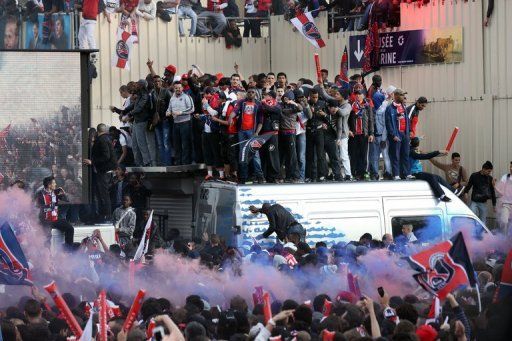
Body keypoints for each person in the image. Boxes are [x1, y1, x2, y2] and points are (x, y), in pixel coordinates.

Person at [83, 124, 117, 222]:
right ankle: (103, 215)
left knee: (103, 195)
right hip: (105, 171)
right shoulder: (107, 138)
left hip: (104, 171)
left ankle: (106, 216)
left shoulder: (102, 140)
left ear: (97, 131)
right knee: (102, 194)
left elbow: (106, 156)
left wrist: (92, 162)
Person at [232, 88, 265, 184]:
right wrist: (231, 117)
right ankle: (243, 177)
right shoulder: (242, 102)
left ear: (256, 94)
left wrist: (256, 132)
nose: (250, 94)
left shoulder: (259, 104)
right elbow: (235, 110)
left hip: (252, 131)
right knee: (242, 154)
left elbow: (260, 121)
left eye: (252, 92)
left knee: (255, 154)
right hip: (242, 131)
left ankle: (260, 176)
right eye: (249, 92)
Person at [35, 176, 75, 247]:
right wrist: (51, 207)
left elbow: (67, 200)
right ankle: (47, 255)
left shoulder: (56, 192)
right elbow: (39, 207)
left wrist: (63, 194)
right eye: (54, 183)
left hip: (55, 218)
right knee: (47, 237)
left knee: (70, 228)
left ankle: (68, 251)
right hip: (45, 219)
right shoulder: (40, 194)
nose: (55, 184)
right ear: (49, 185)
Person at [409, 137, 451, 202]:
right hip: (413, 174)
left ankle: (453, 190)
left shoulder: (415, 150)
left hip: (418, 172)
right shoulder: (411, 152)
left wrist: (442, 154)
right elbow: (426, 156)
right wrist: (439, 151)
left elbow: (428, 154)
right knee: (431, 177)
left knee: (437, 177)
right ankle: (441, 196)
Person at [369, 85, 394, 180]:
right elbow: (385, 125)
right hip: (381, 136)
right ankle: (388, 172)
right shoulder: (385, 108)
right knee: (385, 155)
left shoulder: (378, 109)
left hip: (377, 135)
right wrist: (384, 138)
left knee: (375, 156)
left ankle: (376, 173)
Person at [385, 88, 411, 180]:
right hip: (396, 134)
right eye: (401, 95)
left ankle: (407, 173)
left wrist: (409, 132)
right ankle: (396, 174)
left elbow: (407, 120)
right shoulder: (390, 108)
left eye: (403, 95)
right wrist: (393, 135)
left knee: (406, 154)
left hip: (405, 133)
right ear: (395, 96)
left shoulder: (404, 107)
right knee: (395, 155)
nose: (403, 97)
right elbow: (388, 123)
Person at [348, 89, 374, 180]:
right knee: (354, 154)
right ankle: (353, 173)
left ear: (363, 95)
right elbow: (347, 119)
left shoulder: (367, 106)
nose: (358, 96)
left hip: (364, 134)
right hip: (354, 134)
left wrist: (371, 133)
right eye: (356, 94)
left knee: (364, 155)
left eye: (360, 94)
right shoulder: (351, 105)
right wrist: (348, 130)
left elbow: (371, 120)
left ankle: (363, 173)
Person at [168, 81, 195, 165]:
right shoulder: (172, 98)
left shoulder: (187, 97)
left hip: (185, 123)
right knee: (176, 145)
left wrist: (181, 112)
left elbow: (191, 108)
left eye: (179, 87)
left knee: (185, 144)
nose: (178, 89)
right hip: (175, 124)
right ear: (174, 88)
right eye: (176, 88)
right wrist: (168, 112)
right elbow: (169, 108)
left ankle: (186, 164)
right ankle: (178, 163)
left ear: (182, 88)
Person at [152, 75, 173, 166]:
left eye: (158, 81)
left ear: (161, 82)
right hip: (157, 121)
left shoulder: (166, 92)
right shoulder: (152, 93)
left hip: (165, 120)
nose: (157, 83)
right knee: (160, 144)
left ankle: (167, 163)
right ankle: (162, 163)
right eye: (155, 81)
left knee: (166, 143)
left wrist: (167, 116)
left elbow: (171, 105)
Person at [495, 161, 512, 235]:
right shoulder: (505, 177)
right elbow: (500, 191)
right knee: (504, 221)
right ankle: (504, 240)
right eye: (510, 167)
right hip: (506, 204)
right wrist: (494, 186)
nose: (511, 168)